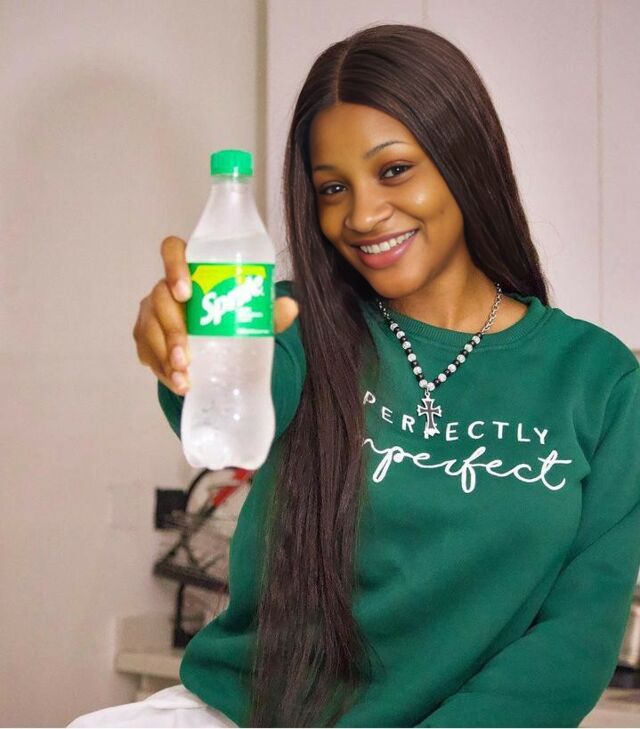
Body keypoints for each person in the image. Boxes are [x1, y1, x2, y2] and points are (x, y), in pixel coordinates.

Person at [70, 22, 640, 729]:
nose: (362, 215)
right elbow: (228, 399)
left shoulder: (599, 379)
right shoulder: (293, 323)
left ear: (465, 159)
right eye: (333, 187)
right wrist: (187, 350)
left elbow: (575, 638)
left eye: (393, 170)